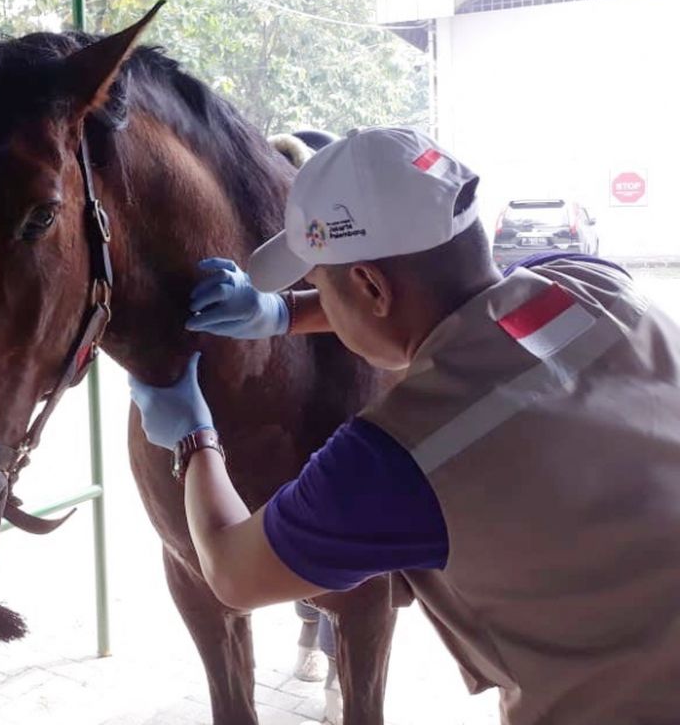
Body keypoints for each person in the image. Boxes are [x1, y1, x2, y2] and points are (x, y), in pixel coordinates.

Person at [129, 126, 680, 724]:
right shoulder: (594, 284)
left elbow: (232, 572)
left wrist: (191, 434)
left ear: (369, 286)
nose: (314, 296)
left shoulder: (408, 453)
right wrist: (281, 313)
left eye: (315, 282)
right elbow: (451, 301)